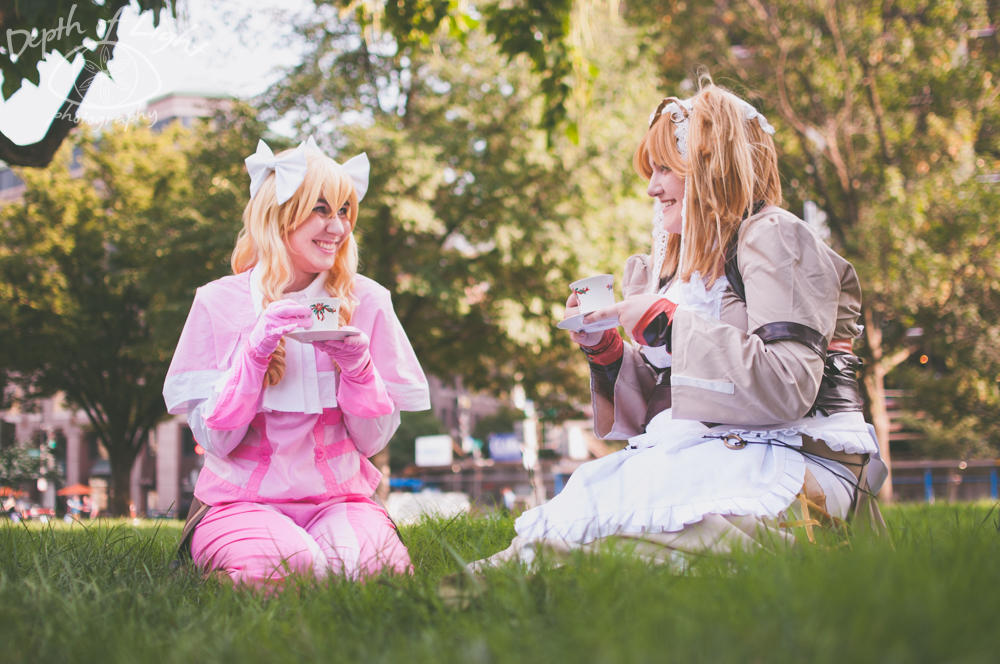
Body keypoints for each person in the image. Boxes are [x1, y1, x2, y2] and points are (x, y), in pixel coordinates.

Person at [476, 76, 886, 568]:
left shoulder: (776, 237)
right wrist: (609, 353)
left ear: (712, 166)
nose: (651, 188)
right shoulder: (676, 269)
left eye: (665, 169)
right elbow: (671, 403)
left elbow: (789, 384)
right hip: (718, 456)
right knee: (554, 543)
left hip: (800, 467)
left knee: (619, 554)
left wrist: (668, 326)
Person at [163, 137, 430, 586]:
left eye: (345, 211)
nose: (338, 227)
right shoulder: (217, 302)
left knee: (375, 572)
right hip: (239, 502)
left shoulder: (368, 299)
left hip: (342, 500)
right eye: (320, 209)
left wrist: (359, 370)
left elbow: (371, 442)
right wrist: (254, 353)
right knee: (285, 569)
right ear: (278, 216)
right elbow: (217, 442)